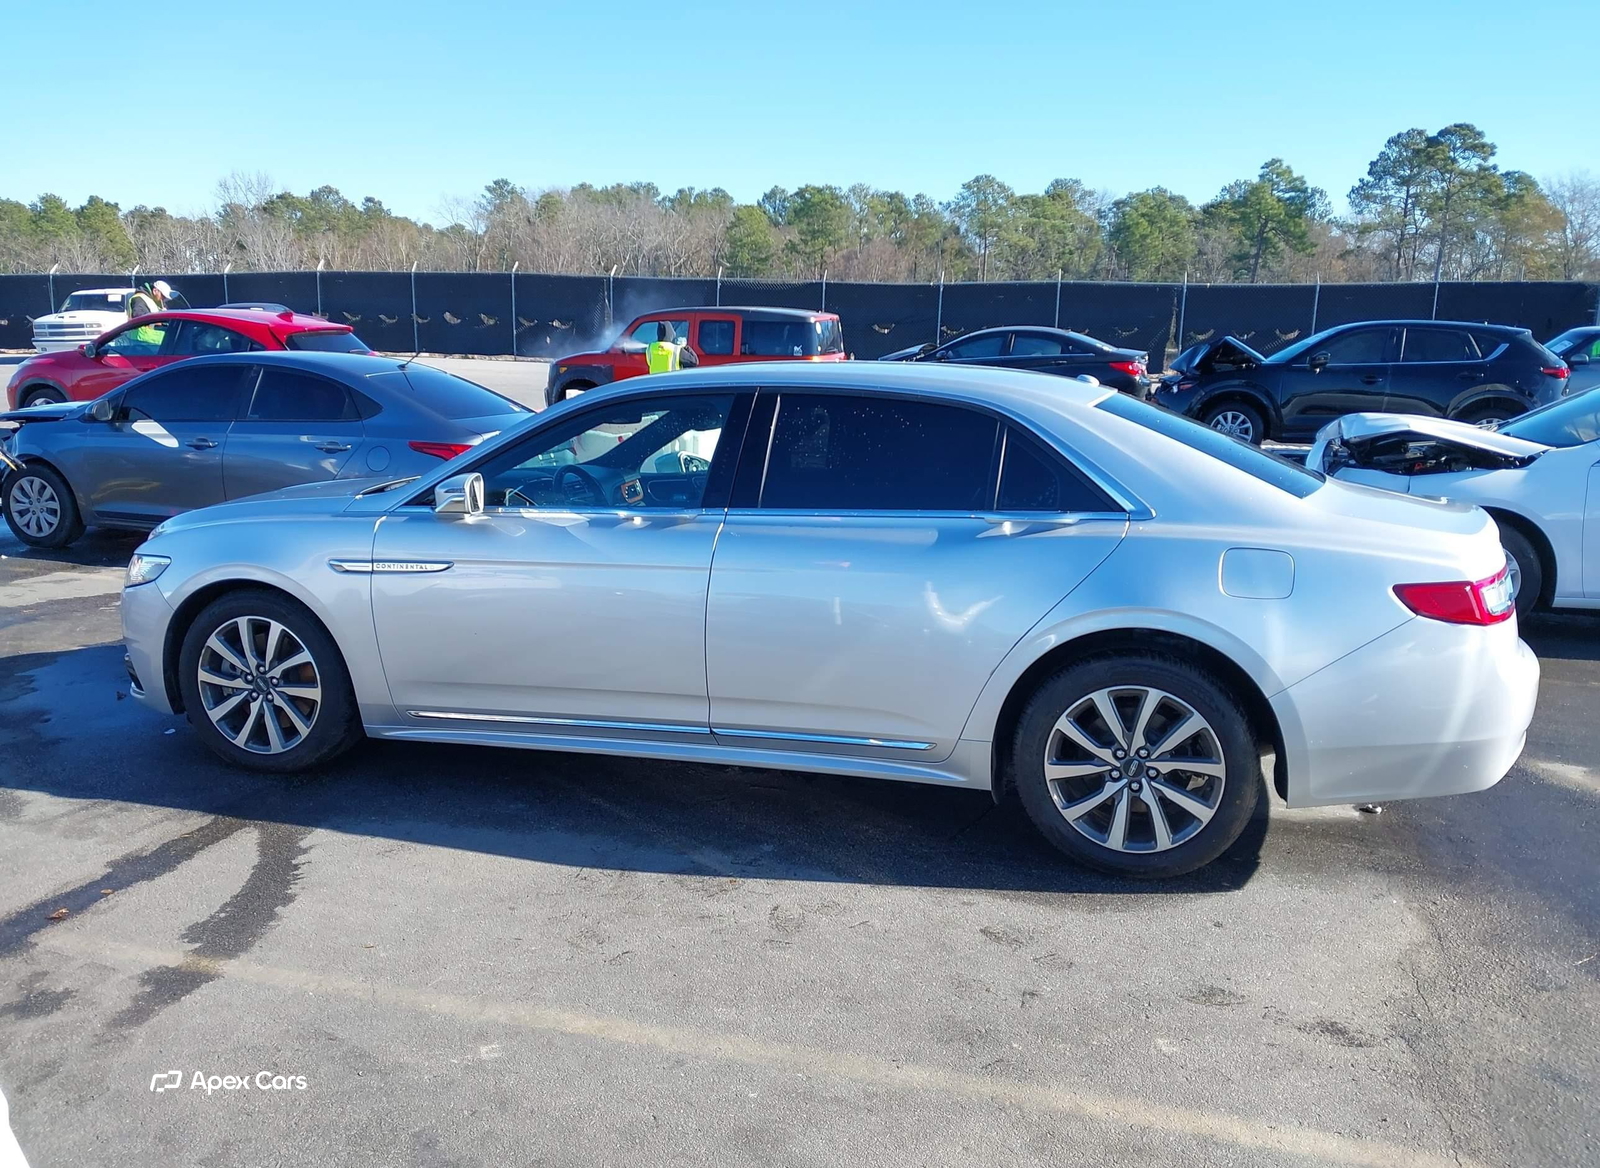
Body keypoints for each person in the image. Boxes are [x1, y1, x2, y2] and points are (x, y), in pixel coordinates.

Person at [124, 280, 176, 348]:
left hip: (151, 338)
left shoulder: (155, 300)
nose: (163, 298)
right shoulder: (139, 298)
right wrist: (159, 320)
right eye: (162, 296)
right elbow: (138, 316)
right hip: (141, 340)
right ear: (155, 291)